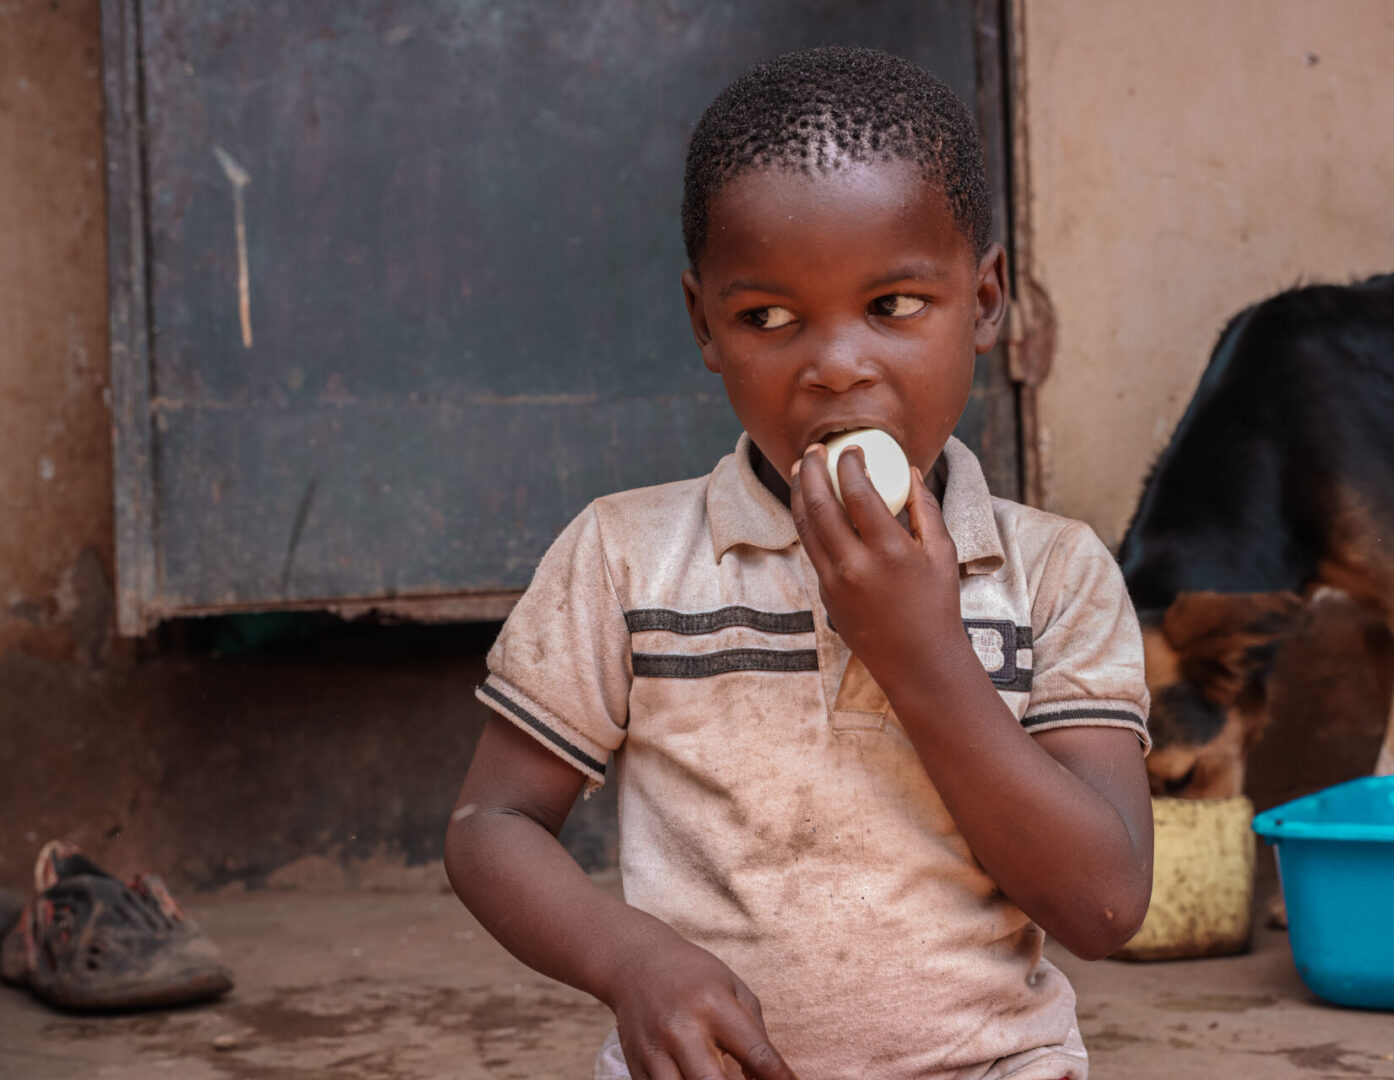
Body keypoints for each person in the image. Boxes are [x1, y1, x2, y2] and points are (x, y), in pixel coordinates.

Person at [443, 45, 1153, 1080]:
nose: (835, 364)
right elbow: (489, 824)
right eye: (767, 318)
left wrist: (920, 653)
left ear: (987, 299)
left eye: (895, 305)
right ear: (705, 325)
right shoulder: (627, 558)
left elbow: (1104, 902)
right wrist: (631, 960)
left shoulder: (1057, 573)